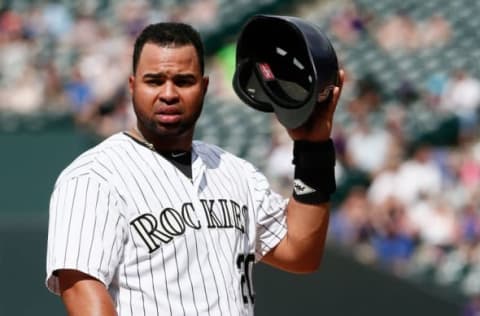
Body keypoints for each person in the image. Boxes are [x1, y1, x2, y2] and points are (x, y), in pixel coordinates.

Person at [45, 22, 344, 315]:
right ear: (133, 86)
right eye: (154, 80)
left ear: (203, 87)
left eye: (183, 81)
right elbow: (83, 291)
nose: (169, 93)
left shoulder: (235, 172)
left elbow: (300, 253)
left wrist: (313, 150)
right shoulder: (93, 178)